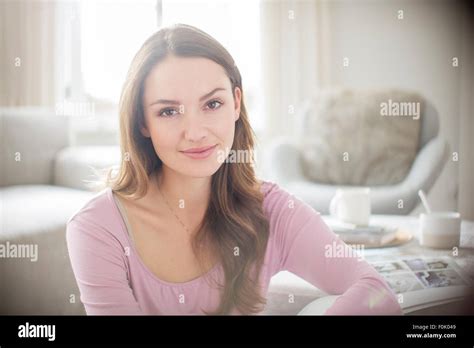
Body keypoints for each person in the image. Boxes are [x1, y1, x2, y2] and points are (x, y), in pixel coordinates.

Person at [66, 24, 403, 316]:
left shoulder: (273, 210)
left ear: (236, 103)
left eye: (212, 104)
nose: (195, 132)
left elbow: (376, 290)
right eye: (169, 112)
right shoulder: (98, 229)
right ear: (142, 122)